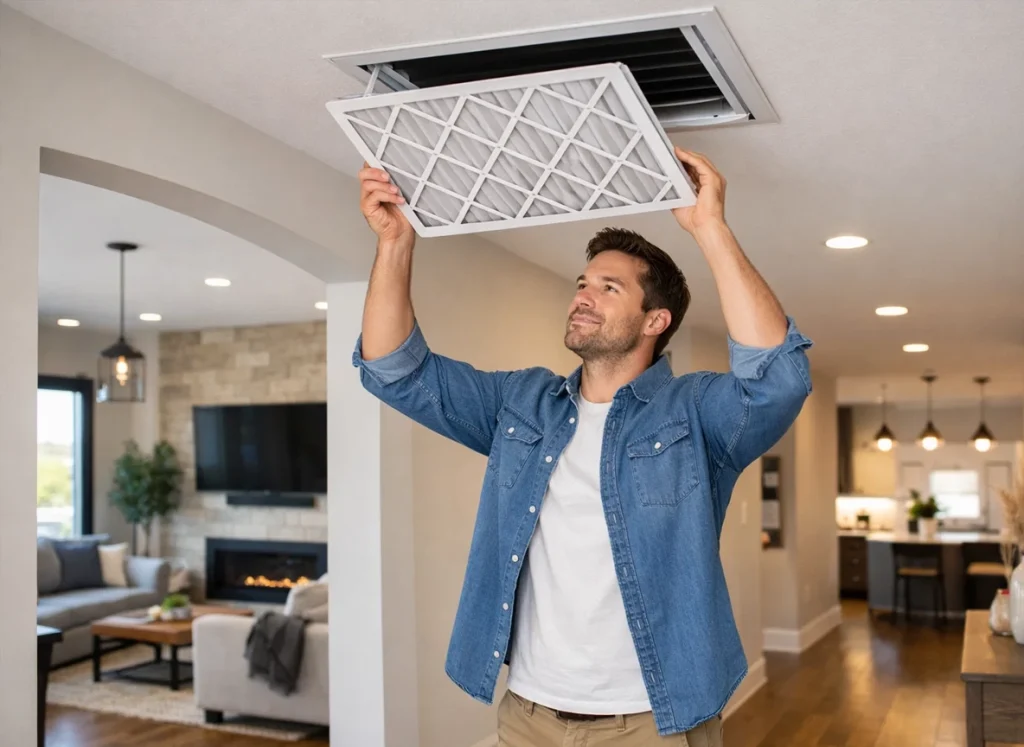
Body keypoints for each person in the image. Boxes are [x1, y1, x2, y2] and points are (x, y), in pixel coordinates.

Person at [353, 148, 813, 746]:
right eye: (582, 284)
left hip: (654, 718)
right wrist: (395, 244)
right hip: (528, 716)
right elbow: (396, 372)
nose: (582, 297)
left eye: (608, 287)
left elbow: (777, 379)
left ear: (655, 321)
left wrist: (708, 226)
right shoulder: (522, 403)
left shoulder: (694, 413)